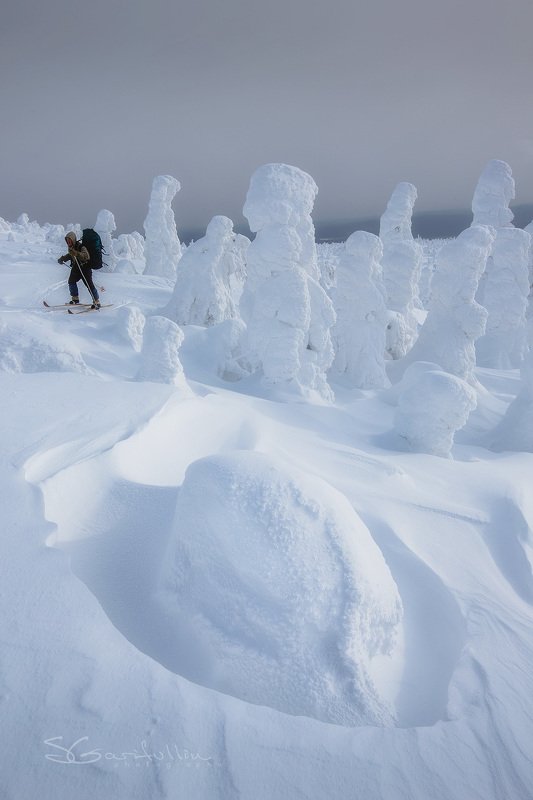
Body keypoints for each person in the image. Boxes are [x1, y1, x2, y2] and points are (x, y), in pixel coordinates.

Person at [57, 231, 101, 308]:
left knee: (89, 285)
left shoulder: (81, 247)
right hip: (76, 268)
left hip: (85, 268)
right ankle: (75, 299)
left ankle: (96, 301)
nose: (68, 242)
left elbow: (86, 256)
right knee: (71, 281)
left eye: (69, 240)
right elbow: (70, 255)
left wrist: (76, 253)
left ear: (73, 239)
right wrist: (63, 259)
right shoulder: (71, 248)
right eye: (67, 240)